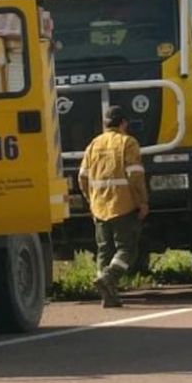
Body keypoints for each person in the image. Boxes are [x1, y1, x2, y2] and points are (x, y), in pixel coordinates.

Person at [78, 105, 149, 307]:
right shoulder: (128, 142)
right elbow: (135, 176)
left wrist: (91, 199)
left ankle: (108, 297)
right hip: (123, 205)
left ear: (104, 124)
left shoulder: (93, 144)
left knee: (104, 250)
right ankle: (109, 276)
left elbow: (82, 177)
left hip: (99, 206)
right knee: (127, 249)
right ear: (124, 123)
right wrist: (142, 201)